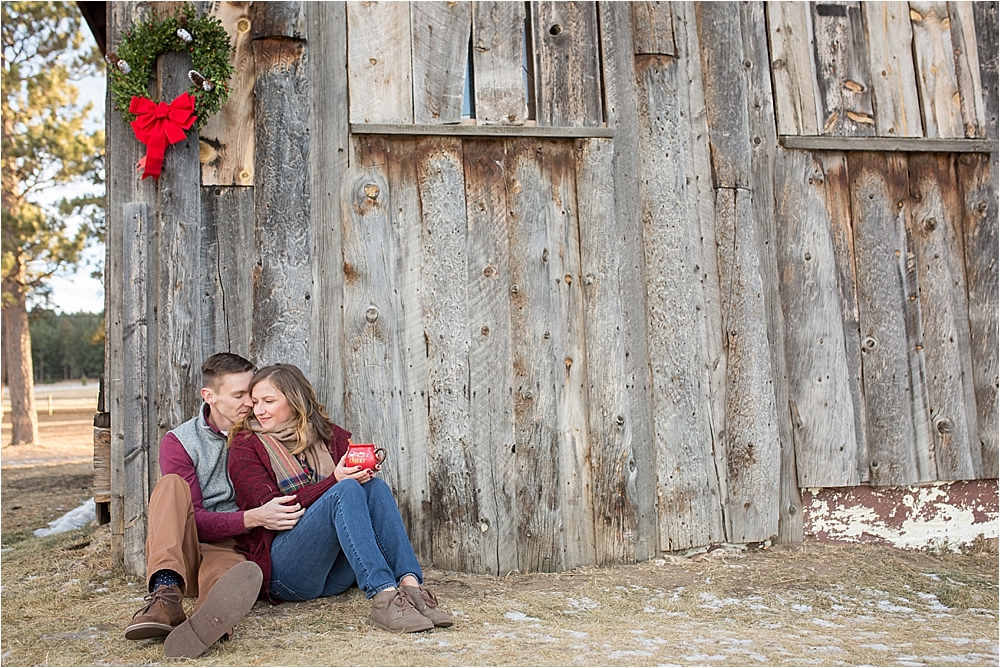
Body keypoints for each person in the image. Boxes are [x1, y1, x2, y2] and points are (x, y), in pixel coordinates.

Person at [226, 364, 453, 633]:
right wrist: (335, 480)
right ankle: (383, 597)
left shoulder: (329, 438)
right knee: (344, 489)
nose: (259, 410)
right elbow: (277, 511)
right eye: (255, 403)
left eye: (268, 401)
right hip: (287, 574)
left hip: (335, 577)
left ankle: (411, 588)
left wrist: (361, 471)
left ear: (295, 400)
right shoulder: (246, 445)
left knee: (374, 488)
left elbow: (349, 495)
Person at [124, 353, 304, 658]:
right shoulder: (180, 442)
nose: (250, 403)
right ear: (210, 397)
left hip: (233, 550)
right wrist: (254, 517)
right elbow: (195, 522)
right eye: (239, 395)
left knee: (232, 576)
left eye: (251, 392)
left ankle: (209, 620)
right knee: (170, 486)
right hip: (189, 549)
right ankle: (165, 596)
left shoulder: (264, 431)